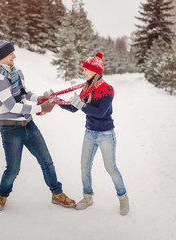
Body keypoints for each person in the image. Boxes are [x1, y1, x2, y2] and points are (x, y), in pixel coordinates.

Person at [0, 36, 75, 211]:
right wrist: (39, 108)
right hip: (10, 128)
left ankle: (57, 194)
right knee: (13, 169)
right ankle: (2, 195)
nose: (14, 56)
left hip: (28, 124)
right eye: (10, 53)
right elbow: (11, 106)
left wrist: (40, 99)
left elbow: (25, 93)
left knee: (47, 161)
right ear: (1, 57)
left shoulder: (16, 71)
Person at [57, 52, 129, 215]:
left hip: (105, 135)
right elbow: (73, 108)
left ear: (95, 71)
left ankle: (123, 198)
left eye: (86, 70)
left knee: (111, 169)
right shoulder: (86, 88)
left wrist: (81, 105)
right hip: (89, 133)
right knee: (84, 167)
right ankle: (87, 197)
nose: (83, 72)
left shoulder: (107, 89)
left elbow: (101, 112)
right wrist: (55, 101)